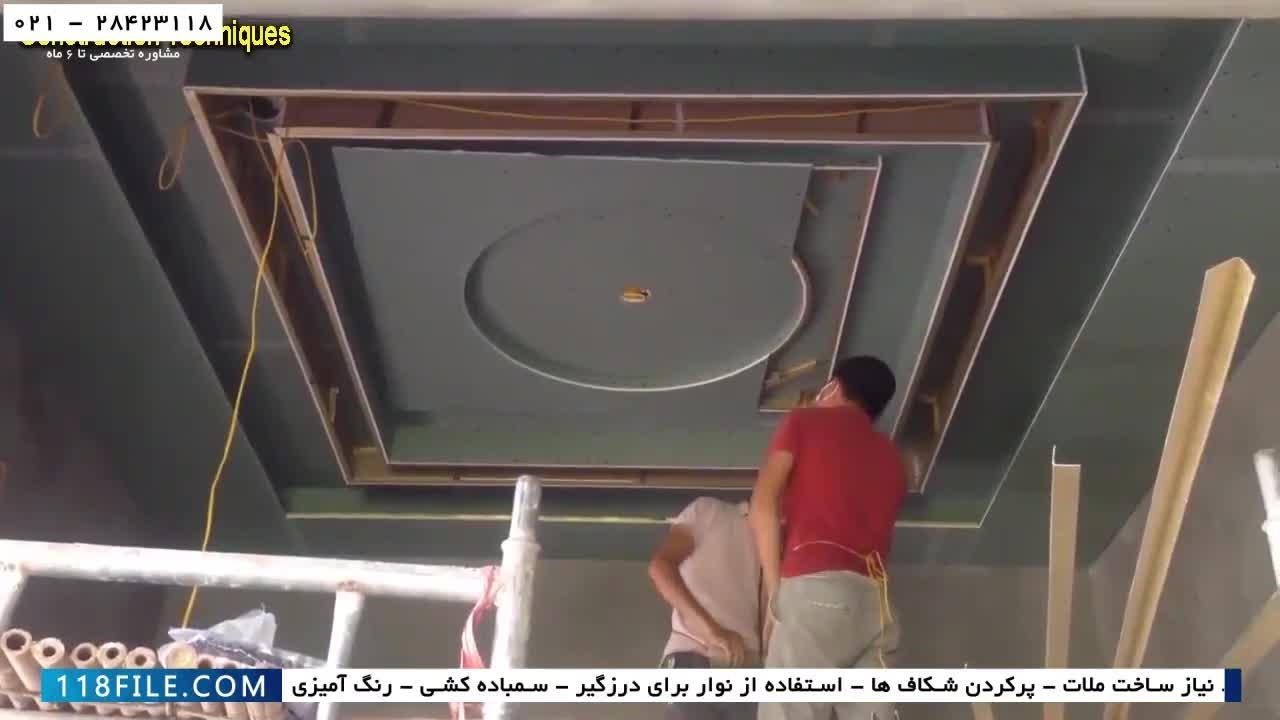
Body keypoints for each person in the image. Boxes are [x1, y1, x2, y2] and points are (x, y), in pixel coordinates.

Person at [749, 355, 907, 720]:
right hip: (877, 605)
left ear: (834, 386)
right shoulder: (893, 458)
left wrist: (776, 596)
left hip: (818, 592)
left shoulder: (804, 422)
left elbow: (762, 506)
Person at [649, 496, 763, 720]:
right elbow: (661, 567)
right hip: (694, 654)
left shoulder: (774, 537)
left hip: (747, 667)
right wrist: (712, 631)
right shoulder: (709, 511)